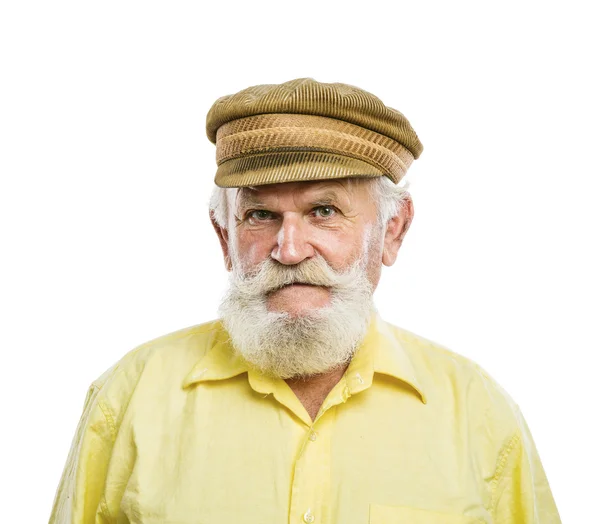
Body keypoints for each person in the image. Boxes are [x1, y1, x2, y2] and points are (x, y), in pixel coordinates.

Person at [49, 77, 561, 523]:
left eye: (323, 210)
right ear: (223, 235)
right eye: (259, 215)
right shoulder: (130, 399)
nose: (289, 250)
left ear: (393, 230)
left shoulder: (478, 415)